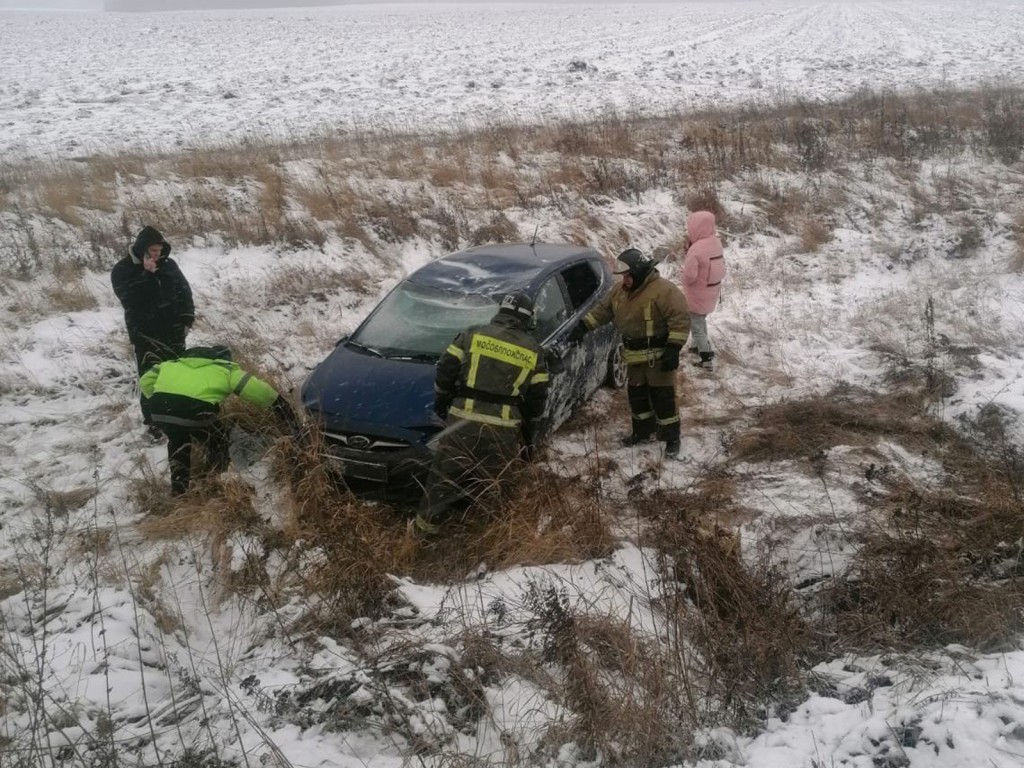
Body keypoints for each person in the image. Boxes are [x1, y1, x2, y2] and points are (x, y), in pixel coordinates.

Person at [413, 292, 550, 537]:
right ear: (528, 319)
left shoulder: (472, 334)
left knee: (442, 481)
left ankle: (423, 536)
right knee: (496, 487)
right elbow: (537, 400)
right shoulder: (533, 351)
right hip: (502, 431)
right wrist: (528, 428)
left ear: (501, 312)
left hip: (461, 423)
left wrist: (442, 401)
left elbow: (445, 370)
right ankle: (492, 540)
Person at [570, 248, 690, 458]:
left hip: (658, 359)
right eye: (623, 277)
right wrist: (583, 326)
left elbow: (680, 320)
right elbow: (603, 310)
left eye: (627, 276)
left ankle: (671, 439)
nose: (624, 280)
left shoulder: (664, 291)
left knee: (663, 400)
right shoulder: (619, 292)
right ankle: (642, 433)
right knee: (638, 399)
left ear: (639, 272)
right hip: (633, 359)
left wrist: (673, 348)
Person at [140, 345, 297, 496]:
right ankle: (213, 480)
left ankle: (179, 490)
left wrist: (161, 400)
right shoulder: (225, 368)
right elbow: (259, 391)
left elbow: (145, 381)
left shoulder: (172, 363)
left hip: (160, 410)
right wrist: (282, 407)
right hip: (195, 410)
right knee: (218, 441)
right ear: (223, 358)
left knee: (178, 441)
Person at [111, 226, 195, 431]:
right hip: (145, 334)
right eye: (153, 250)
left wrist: (186, 319)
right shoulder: (123, 269)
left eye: (159, 250)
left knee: (177, 373)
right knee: (150, 377)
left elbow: (184, 291)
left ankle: (177, 413)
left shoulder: (169, 265)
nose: (157, 254)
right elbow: (130, 300)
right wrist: (146, 275)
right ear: (142, 249)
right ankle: (153, 421)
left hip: (173, 330)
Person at [680, 211, 726, 371]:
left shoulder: (696, 249)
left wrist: (683, 276)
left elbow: (690, 276)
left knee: (696, 325)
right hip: (712, 289)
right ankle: (697, 346)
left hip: (697, 294)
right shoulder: (716, 242)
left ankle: (706, 358)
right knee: (701, 320)